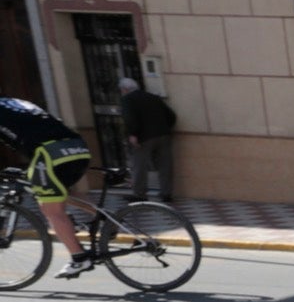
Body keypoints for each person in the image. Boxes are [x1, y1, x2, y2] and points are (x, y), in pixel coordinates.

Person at [0, 97, 97, 278]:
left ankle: (79, 258)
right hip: (77, 146)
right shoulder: (15, 102)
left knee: (51, 210)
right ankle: (104, 216)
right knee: (56, 192)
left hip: (50, 153)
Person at [119, 76, 178, 203]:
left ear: (124, 89)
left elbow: (130, 118)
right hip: (163, 135)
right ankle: (166, 193)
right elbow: (171, 115)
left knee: (139, 165)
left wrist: (133, 134)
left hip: (143, 138)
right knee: (165, 165)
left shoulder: (127, 100)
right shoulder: (153, 97)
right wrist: (166, 129)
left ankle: (140, 193)